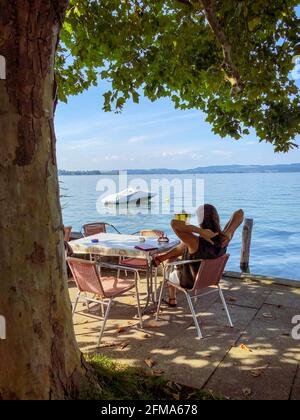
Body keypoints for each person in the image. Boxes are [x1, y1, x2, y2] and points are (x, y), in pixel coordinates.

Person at [154, 205, 244, 307]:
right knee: (185, 245)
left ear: (200, 222)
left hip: (189, 281)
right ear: (217, 218)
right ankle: (161, 258)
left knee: (171, 261)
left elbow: (174, 223)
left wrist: (201, 231)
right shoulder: (224, 239)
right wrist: (230, 231)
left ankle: (172, 299)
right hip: (210, 278)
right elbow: (240, 213)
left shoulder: (195, 243)